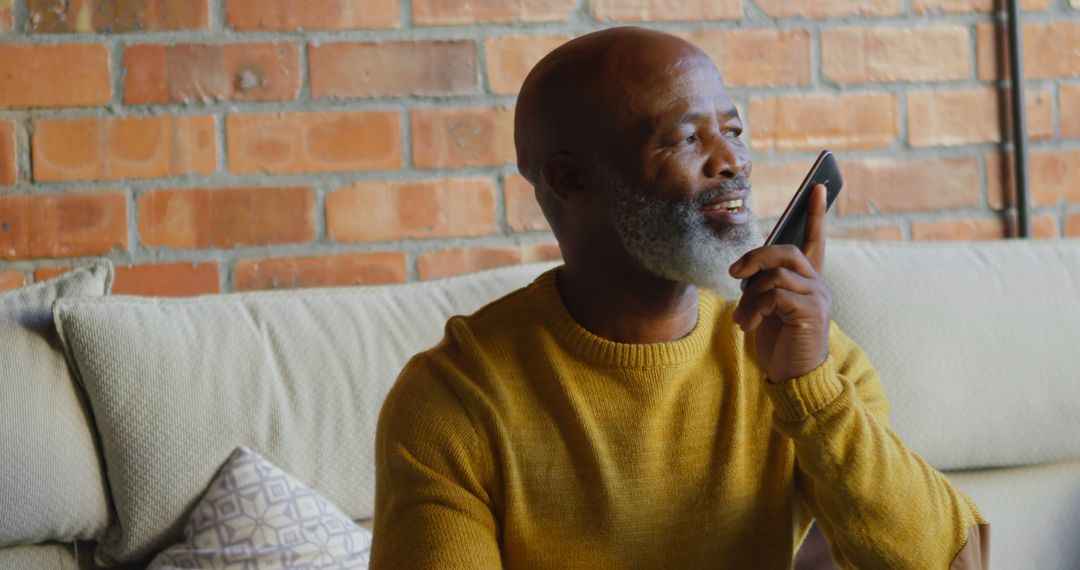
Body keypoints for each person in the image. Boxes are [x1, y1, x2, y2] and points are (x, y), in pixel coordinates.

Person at [371, 27, 988, 569]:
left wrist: (811, 391)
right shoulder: (454, 400)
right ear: (570, 178)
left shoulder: (803, 359)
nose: (732, 162)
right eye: (686, 139)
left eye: (733, 130)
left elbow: (947, 563)